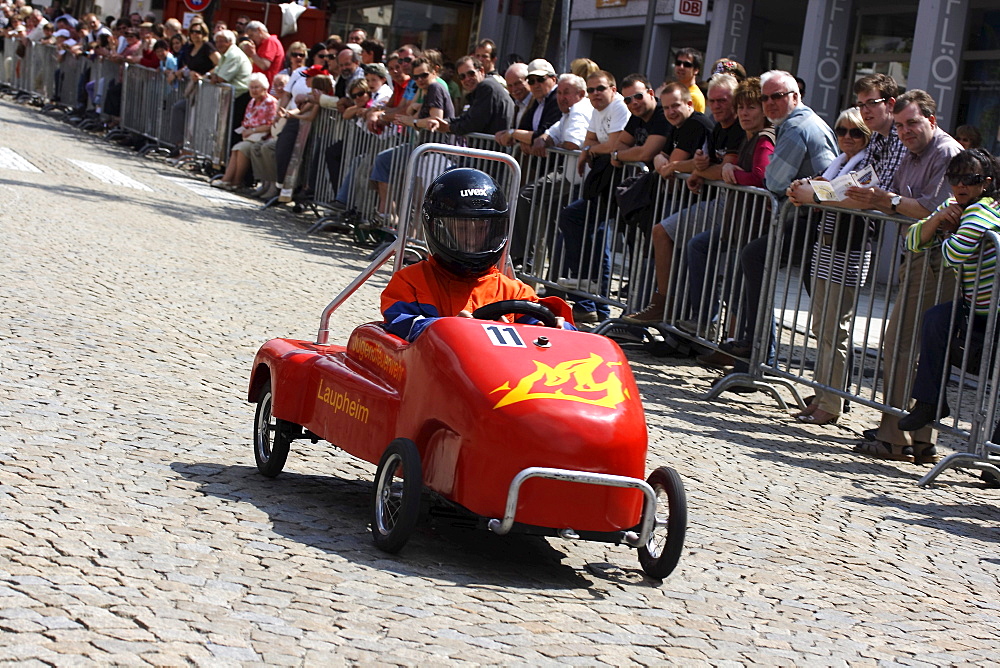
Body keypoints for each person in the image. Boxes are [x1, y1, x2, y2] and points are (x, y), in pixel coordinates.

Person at [838, 90, 963, 463]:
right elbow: (902, 201)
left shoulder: (945, 153)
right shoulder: (911, 153)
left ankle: (895, 437)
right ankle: (917, 438)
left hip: (939, 261)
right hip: (922, 256)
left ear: (932, 121)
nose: (906, 131)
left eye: (913, 123)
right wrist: (886, 200)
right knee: (917, 349)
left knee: (899, 345)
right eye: (902, 124)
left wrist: (884, 201)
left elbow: (930, 209)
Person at [719, 71, 837, 364]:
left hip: (814, 221)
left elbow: (772, 180)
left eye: (778, 96)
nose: (770, 103)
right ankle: (756, 353)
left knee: (824, 308)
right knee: (756, 259)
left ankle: (758, 354)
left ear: (795, 97)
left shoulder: (797, 127)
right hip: (810, 218)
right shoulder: (796, 124)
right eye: (765, 98)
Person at [382, 168, 574, 341]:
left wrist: (558, 328)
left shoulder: (514, 291)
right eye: (463, 228)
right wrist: (446, 328)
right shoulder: (410, 282)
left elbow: (549, 333)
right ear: (439, 228)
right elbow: (400, 325)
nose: (472, 239)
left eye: (481, 229)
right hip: (433, 374)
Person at [898, 150, 1000, 435]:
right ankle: (930, 402)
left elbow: (954, 254)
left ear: (985, 182)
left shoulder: (983, 210)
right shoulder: (954, 204)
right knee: (935, 320)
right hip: (975, 308)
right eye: (954, 178)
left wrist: (945, 232)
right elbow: (913, 239)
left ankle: (992, 458)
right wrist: (939, 218)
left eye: (970, 179)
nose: (961, 185)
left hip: (995, 312)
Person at [623, 74, 737, 324]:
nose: (671, 112)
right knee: (671, 245)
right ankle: (671, 313)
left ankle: (671, 309)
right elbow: (661, 161)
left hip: (722, 205)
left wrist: (686, 168)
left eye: (675, 105)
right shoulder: (699, 127)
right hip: (704, 200)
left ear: (690, 104)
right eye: (666, 108)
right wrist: (681, 166)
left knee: (668, 237)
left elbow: (719, 169)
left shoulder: (698, 124)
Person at [786, 107, 872, 426]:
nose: (847, 137)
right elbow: (822, 187)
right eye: (842, 130)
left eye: (856, 132)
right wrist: (806, 190)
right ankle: (821, 393)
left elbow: (839, 193)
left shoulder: (868, 164)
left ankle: (832, 402)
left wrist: (810, 193)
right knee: (820, 326)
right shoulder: (840, 161)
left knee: (836, 329)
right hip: (826, 247)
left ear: (867, 135)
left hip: (849, 251)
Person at [684, 77, 776, 365]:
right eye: (742, 108)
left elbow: (762, 177)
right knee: (737, 289)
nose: (745, 113)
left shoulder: (763, 138)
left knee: (751, 295)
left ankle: (761, 358)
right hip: (740, 224)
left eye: (751, 107)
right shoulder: (748, 137)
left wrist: (732, 174)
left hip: (755, 225)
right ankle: (733, 347)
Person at [212, 72, 279, 191]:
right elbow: (247, 120)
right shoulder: (252, 102)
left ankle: (235, 181)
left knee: (241, 148)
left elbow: (270, 125)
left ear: (264, 88)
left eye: (256, 87)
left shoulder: (270, 102)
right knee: (236, 148)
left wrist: (252, 130)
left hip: (264, 137)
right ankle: (228, 180)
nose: (254, 90)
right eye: (252, 87)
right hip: (249, 135)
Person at [416, 54, 513, 136]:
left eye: (471, 74)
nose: (467, 79)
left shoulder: (486, 87)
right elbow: (467, 117)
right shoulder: (480, 90)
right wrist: (447, 122)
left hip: (493, 152)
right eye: (462, 76)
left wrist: (448, 127)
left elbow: (474, 123)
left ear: (481, 71)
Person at [495, 58, 560, 149]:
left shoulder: (557, 99)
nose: (536, 85)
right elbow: (525, 129)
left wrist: (512, 133)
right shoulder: (538, 100)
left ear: (553, 79)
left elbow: (542, 134)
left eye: (540, 79)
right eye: (531, 81)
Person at [241, 20, 283, 86]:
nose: (251, 39)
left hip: (267, 86)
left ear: (259, 30)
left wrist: (252, 54)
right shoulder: (262, 44)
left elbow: (264, 65)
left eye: (251, 35)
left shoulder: (270, 42)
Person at [670, 47, 705, 113]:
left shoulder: (694, 97)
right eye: (678, 63)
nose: (681, 67)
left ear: (696, 70)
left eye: (687, 65)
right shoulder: (673, 90)